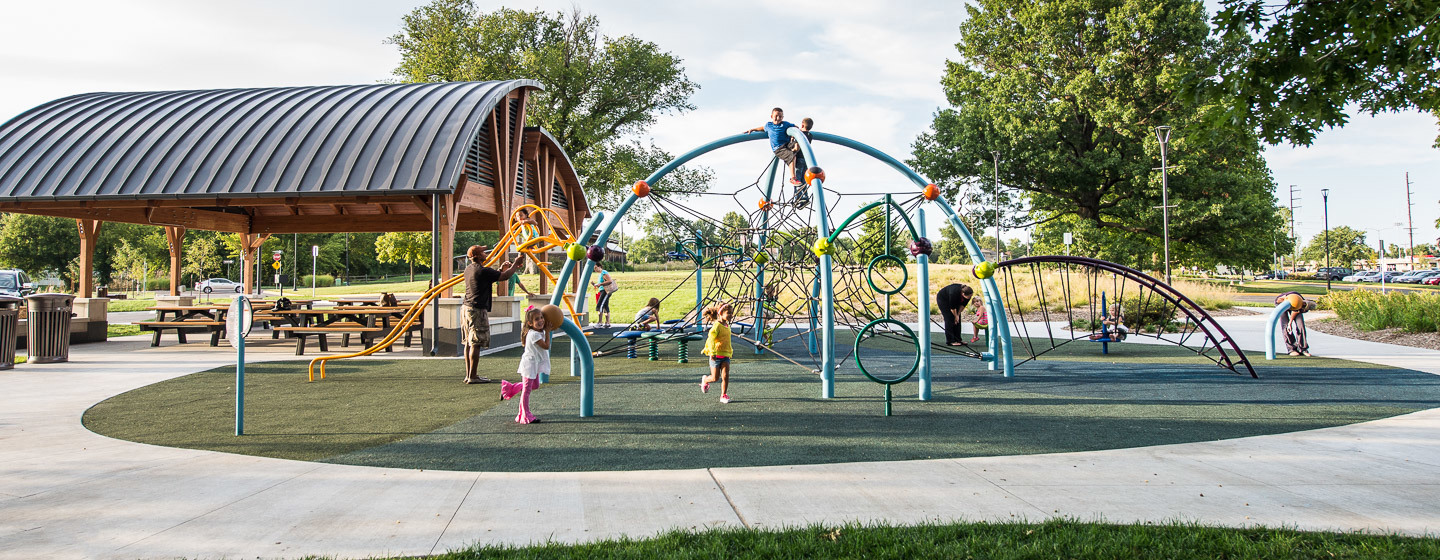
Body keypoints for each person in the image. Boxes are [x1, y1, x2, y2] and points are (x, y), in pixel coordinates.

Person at [462, 245, 521, 384]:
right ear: (477, 255)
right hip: (477, 310)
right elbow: (505, 277)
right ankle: (473, 376)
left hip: (466, 308)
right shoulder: (483, 270)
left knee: (468, 343)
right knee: (476, 343)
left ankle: (469, 374)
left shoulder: (469, 269)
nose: (485, 253)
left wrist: (500, 269)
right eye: (482, 251)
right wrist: (515, 264)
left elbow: (491, 277)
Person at [500, 307, 549, 424]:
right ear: (530, 323)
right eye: (537, 319)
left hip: (534, 364)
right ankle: (525, 415)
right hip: (529, 365)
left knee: (535, 385)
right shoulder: (534, 335)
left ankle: (509, 388)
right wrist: (548, 331)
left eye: (542, 317)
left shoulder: (537, 332)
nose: (541, 320)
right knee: (526, 391)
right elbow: (546, 346)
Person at [744, 107, 806, 187]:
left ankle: (794, 150)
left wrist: (794, 134)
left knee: (798, 143)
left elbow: (795, 127)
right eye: (776, 116)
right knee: (792, 155)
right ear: (771, 116)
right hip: (779, 148)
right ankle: (793, 178)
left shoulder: (785, 124)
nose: (778, 118)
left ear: (782, 117)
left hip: (787, 144)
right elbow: (762, 128)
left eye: (780, 116)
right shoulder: (769, 125)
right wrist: (753, 129)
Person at [699, 302, 735, 404]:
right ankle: (705, 379)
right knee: (715, 378)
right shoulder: (717, 326)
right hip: (716, 356)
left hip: (725, 355)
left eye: (732, 313)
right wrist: (712, 352)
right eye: (728, 313)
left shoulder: (727, 325)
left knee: (725, 376)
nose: (731, 315)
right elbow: (711, 339)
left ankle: (723, 395)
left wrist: (730, 351)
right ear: (721, 313)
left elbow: (727, 341)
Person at [1277, 292, 1312, 356]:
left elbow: (1295, 311)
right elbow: (1278, 300)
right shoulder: (1296, 300)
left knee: (1300, 325)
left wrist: (1290, 322)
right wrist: (1288, 324)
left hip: (1294, 304)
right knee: (1285, 326)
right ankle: (1291, 349)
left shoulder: (1301, 306)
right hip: (1282, 303)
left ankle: (1303, 349)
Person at [593, 262, 617, 328]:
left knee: (600, 305)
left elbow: (609, 281)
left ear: (599, 266)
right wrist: (595, 284)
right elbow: (601, 283)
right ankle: (607, 323)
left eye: (596, 268)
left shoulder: (603, 272)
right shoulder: (600, 274)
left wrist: (600, 284)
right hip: (602, 290)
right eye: (594, 268)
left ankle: (600, 322)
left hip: (605, 291)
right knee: (605, 306)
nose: (595, 270)